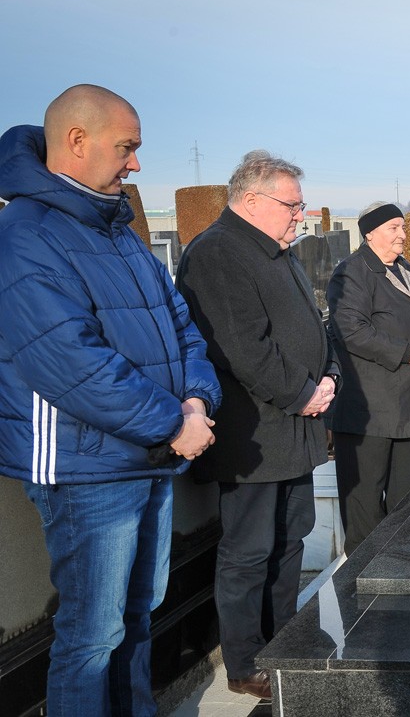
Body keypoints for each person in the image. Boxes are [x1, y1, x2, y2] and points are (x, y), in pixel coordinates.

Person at [0, 84, 220, 716]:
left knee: (140, 613)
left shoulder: (116, 229)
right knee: (92, 635)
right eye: (127, 147)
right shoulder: (26, 234)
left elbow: (180, 325)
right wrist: (172, 425)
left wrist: (198, 402)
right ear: (77, 140)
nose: (136, 163)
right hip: (86, 466)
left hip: (147, 451)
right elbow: (68, 361)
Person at [176, 151, 338, 702]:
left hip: (294, 429)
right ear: (252, 201)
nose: (300, 215)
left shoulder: (277, 250)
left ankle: (285, 640)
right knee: (248, 552)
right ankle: (246, 663)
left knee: (291, 541)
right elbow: (242, 347)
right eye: (292, 205)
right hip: (255, 437)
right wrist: (302, 393)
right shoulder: (218, 252)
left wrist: (329, 376)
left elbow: (313, 326)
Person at [326, 202, 410, 556]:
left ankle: (406, 576)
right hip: (371, 413)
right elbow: (350, 330)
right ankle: (364, 589)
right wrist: (409, 353)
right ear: (370, 233)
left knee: (407, 505)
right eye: (394, 227)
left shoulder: (408, 271)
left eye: (404, 227)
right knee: (364, 510)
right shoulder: (351, 273)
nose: (403, 235)